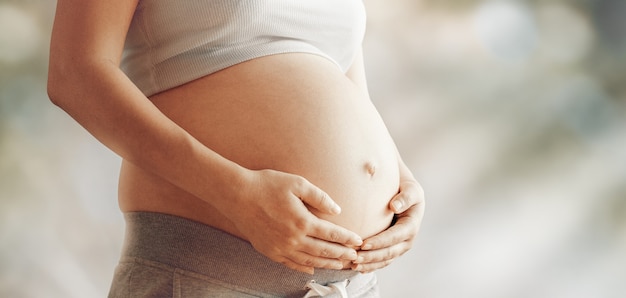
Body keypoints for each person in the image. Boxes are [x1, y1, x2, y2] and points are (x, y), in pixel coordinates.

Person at [48, 0, 425, 297]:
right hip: (209, 273)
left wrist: (399, 177)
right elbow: (74, 72)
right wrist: (234, 193)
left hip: (350, 284)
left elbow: (340, 76)